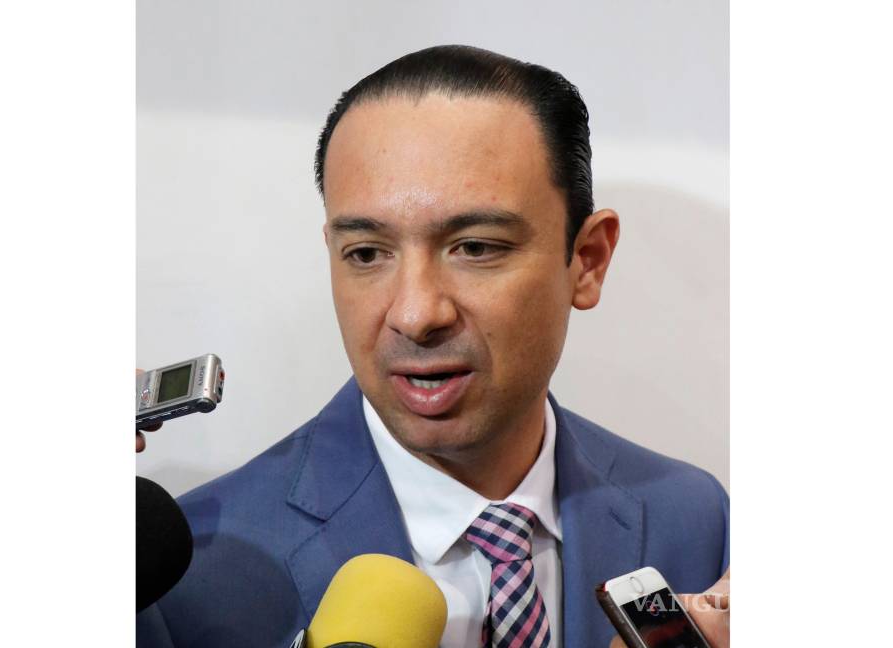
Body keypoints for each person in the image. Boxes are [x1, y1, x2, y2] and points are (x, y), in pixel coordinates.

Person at [136, 45, 729, 648]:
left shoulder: (692, 516)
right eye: (367, 254)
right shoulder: (183, 581)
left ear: (588, 260)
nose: (416, 315)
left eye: (476, 247)